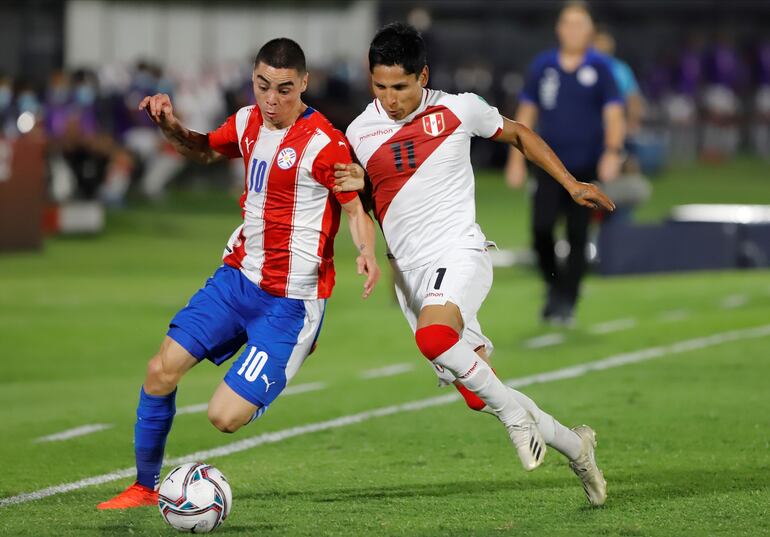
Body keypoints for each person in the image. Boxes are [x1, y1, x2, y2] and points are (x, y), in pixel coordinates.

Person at [337, 22, 614, 506]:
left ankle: (514, 418)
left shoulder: (458, 108)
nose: (390, 97)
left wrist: (571, 185)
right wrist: (364, 241)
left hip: (460, 252)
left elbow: (520, 134)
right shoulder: (358, 132)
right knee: (475, 389)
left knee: (435, 337)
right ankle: (576, 445)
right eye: (379, 86)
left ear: (423, 76)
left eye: (400, 86)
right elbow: (363, 201)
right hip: (410, 273)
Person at [97, 38, 380, 510]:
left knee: (223, 417)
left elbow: (354, 210)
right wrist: (170, 126)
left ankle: (288, 355)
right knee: (159, 371)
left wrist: (367, 251)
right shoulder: (248, 121)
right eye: (263, 86)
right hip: (237, 280)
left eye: (285, 90)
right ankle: (144, 487)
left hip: (290, 303)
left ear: (304, 84)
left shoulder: (325, 144)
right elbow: (204, 151)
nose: (271, 100)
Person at [505, 1, 625, 325]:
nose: (573, 31)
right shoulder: (543, 66)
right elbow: (526, 115)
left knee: (577, 234)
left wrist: (612, 151)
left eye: (579, 25)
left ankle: (567, 300)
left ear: (590, 31)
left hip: (585, 168)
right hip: (548, 167)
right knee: (541, 229)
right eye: (567, 24)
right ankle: (553, 285)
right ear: (559, 29)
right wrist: (516, 160)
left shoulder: (600, 68)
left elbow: (614, 113)